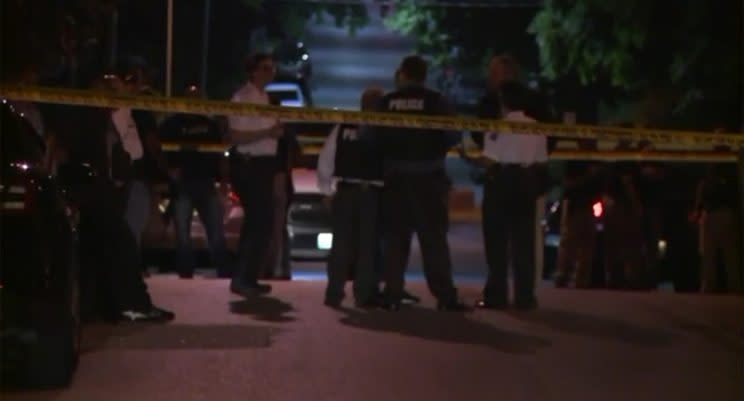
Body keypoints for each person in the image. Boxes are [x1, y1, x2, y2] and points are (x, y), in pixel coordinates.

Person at [370, 55, 467, 311]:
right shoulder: (437, 102)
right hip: (429, 181)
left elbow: (370, 136)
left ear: (402, 73)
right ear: (424, 75)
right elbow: (453, 135)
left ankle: (392, 294)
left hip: (395, 181)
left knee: (395, 240)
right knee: (433, 240)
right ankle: (445, 296)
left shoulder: (387, 102)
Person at [475, 81, 548, 310]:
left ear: (503, 102)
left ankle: (497, 295)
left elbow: (489, 161)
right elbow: (541, 160)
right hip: (526, 182)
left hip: (501, 182)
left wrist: (469, 159)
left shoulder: (497, 127)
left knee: (496, 242)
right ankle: (524, 297)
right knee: (524, 242)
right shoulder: (536, 127)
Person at [317, 87, 386, 308]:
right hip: (370, 193)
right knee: (367, 246)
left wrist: (326, 191)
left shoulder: (344, 125)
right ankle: (363, 295)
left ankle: (334, 294)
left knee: (341, 246)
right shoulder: (386, 128)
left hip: (345, 192)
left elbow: (326, 159)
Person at [159, 84, 231, 279]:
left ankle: (224, 270)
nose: (195, 100)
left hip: (206, 183)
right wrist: (168, 171)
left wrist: (224, 180)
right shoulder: (172, 124)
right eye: (191, 96)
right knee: (182, 233)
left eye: (199, 96)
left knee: (216, 231)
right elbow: (160, 150)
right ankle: (185, 272)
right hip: (182, 185)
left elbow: (221, 153)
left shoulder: (210, 124)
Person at [227, 53, 283, 297]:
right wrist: (268, 132)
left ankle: (250, 277)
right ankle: (241, 279)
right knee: (256, 223)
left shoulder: (266, 99)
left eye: (273, 67)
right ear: (253, 71)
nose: (271, 72)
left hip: (264, 166)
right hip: (249, 165)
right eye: (266, 68)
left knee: (263, 223)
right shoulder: (242, 98)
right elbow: (236, 137)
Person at [554, 140, 604, 288]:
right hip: (575, 207)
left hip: (590, 207)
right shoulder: (575, 161)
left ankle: (581, 279)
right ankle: (563, 276)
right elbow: (568, 184)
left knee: (587, 246)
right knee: (570, 244)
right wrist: (588, 176)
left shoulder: (597, 164)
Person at [693, 161, 742, 293]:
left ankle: (709, 286)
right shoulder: (731, 178)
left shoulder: (708, 181)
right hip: (725, 215)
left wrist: (697, 212)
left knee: (710, 253)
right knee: (729, 253)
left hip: (713, 214)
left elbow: (700, 200)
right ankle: (734, 286)